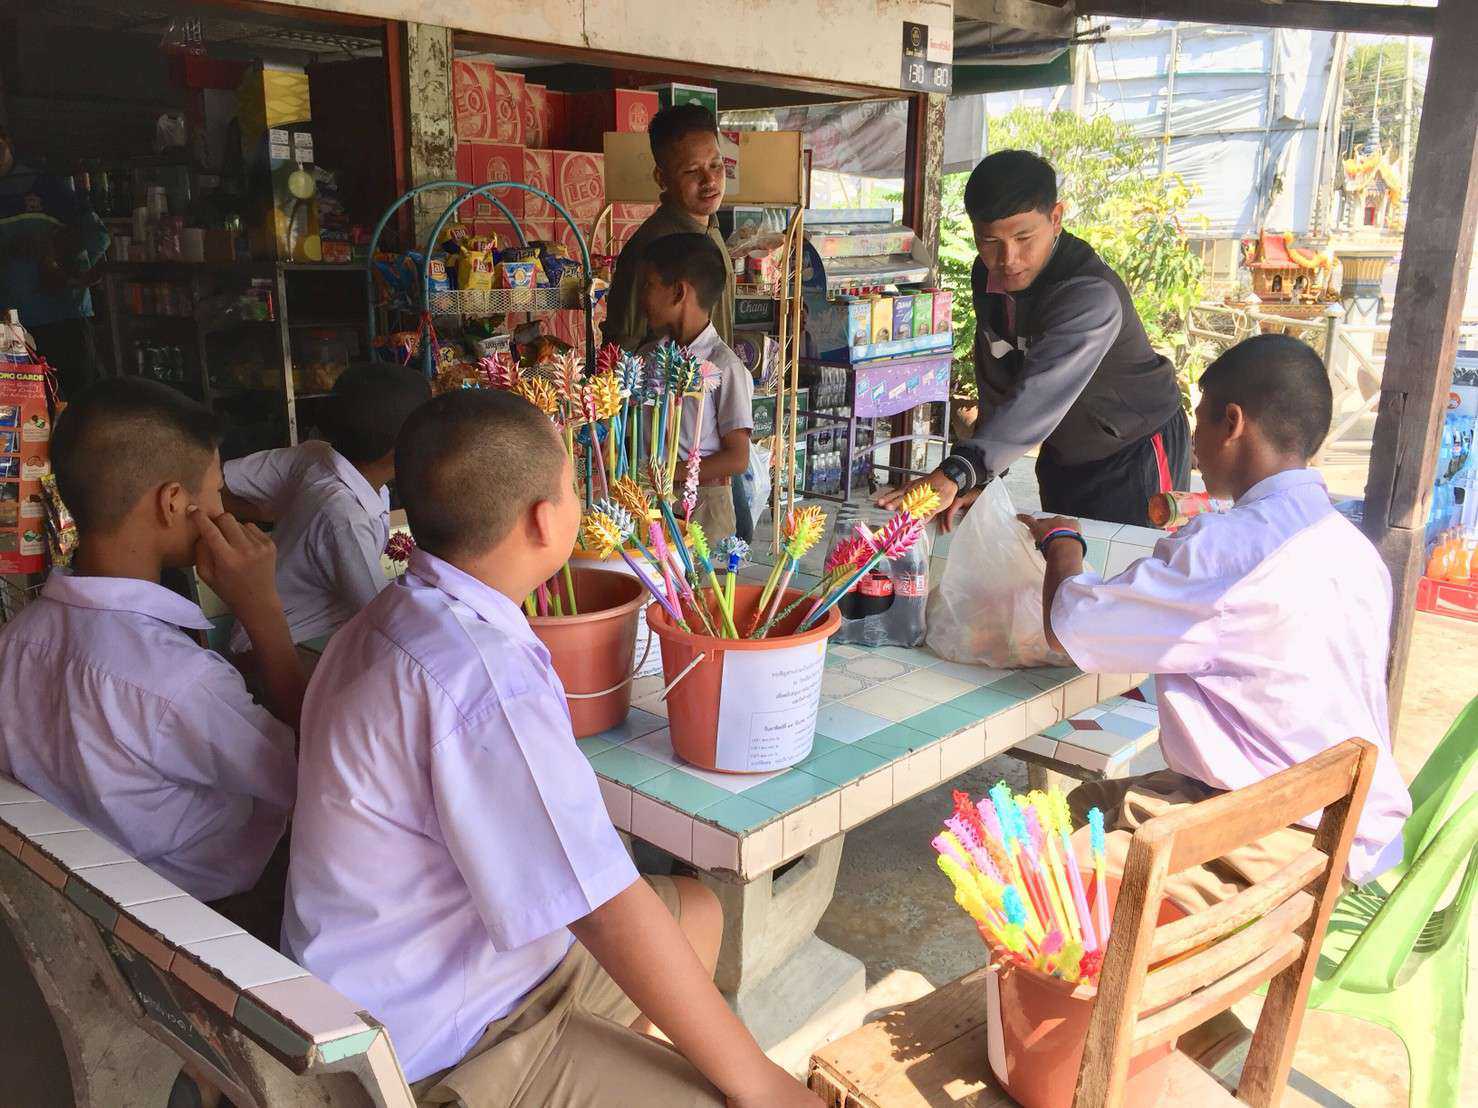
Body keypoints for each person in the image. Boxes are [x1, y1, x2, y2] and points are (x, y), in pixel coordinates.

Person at [283, 390, 816, 1107]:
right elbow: (601, 907)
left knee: (697, 910)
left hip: (441, 966)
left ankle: (615, 1063)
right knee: (733, 1092)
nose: (578, 503)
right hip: (443, 1040)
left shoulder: (392, 615)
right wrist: (765, 1086)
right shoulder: (479, 675)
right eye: (572, 488)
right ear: (543, 519)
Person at [1018, 334, 1410, 913]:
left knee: (1029, 890)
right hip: (1338, 811)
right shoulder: (1351, 547)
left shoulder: (1226, 550)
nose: (1193, 442)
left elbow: (1070, 625)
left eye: (1198, 420)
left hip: (1279, 834)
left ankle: (1123, 965)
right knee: (1080, 807)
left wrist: (1061, 544)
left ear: (1232, 423)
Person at [0, 378, 302, 915]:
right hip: (213, 910)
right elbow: (310, 773)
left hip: (91, 900)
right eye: (216, 493)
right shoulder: (178, 681)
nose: (225, 511)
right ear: (173, 503)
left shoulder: (17, 639)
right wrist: (264, 613)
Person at [879, 149, 1189, 530]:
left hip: (1135, 451)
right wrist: (983, 473)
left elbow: (1040, 392)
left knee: (1134, 563)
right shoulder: (988, 275)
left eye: (1024, 237)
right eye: (989, 241)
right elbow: (997, 373)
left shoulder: (1089, 295)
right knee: (1058, 557)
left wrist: (959, 471)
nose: (1008, 258)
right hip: (1064, 455)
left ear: (1056, 218)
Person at [221, 362, 430, 652]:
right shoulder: (345, 518)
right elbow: (386, 621)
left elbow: (395, 565)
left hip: (318, 634)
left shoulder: (335, 465)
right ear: (401, 448)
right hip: (279, 649)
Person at [638, 232, 753, 544]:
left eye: (649, 285)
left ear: (678, 292)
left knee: (699, 576)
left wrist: (669, 472)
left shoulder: (724, 366)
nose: (641, 297)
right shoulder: (647, 357)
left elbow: (737, 458)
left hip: (705, 504)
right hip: (651, 500)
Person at [603, 104, 734, 353]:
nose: (710, 180)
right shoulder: (651, 248)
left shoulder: (711, 227)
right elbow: (621, 350)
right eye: (692, 171)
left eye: (716, 165)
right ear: (661, 178)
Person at [0, 125, 110, 397]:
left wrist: (59, 260)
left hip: (63, 319)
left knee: (78, 403)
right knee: (26, 412)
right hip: (10, 329)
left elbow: (96, 237)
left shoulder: (48, 186)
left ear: (6, 141)